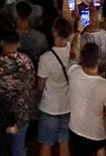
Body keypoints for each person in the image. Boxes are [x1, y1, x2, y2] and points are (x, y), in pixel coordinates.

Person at [68, 42, 106, 156]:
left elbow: (72, 54)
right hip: (96, 133)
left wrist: (78, 32)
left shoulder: (73, 72)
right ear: (98, 61)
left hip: (75, 129)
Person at [36, 18, 72, 156]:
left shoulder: (46, 58)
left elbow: (41, 84)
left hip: (50, 106)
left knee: (46, 143)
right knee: (64, 142)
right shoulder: (74, 52)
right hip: (68, 104)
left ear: (54, 32)